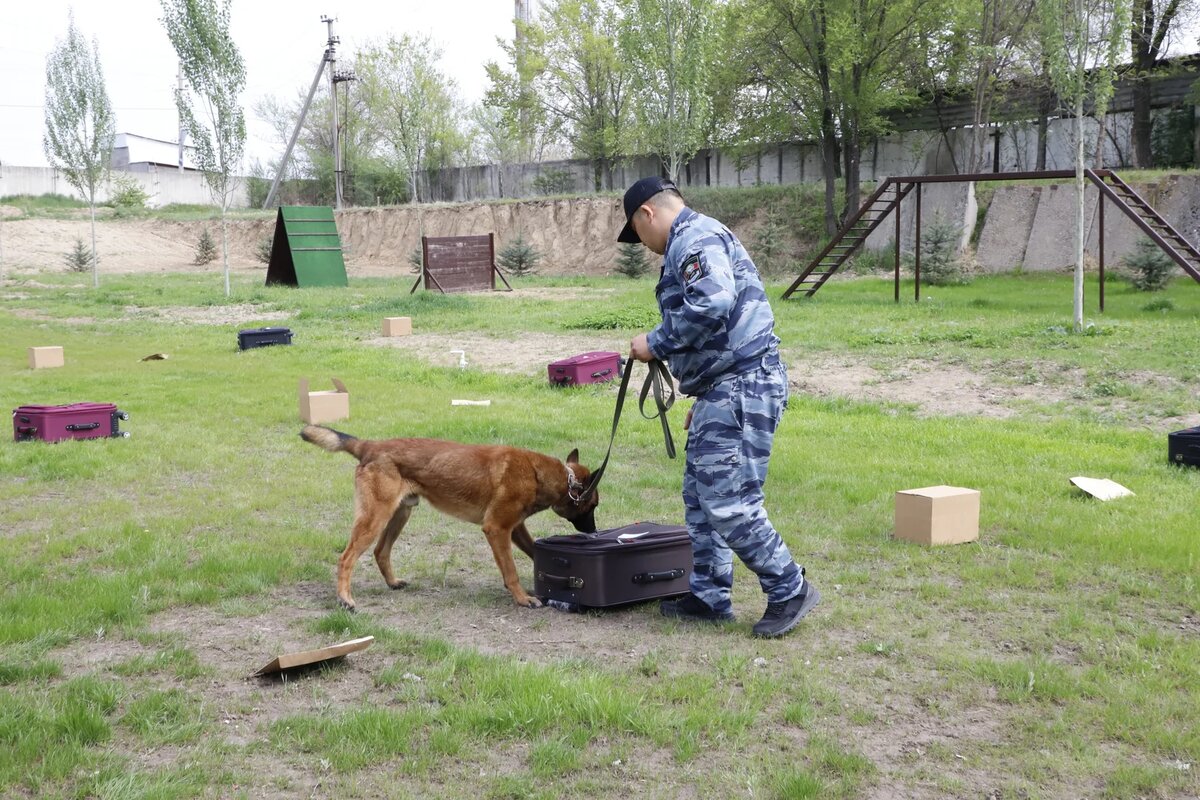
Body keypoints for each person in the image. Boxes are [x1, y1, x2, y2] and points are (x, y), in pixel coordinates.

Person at [620, 176, 819, 638]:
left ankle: (789, 588)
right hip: (726, 386)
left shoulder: (694, 237)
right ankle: (709, 596)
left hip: (743, 382)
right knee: (700, 497)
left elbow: (713, 300)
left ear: (647, 214)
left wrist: (656, 342)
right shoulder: (694, 238)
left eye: (636, 231)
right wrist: (707, 392)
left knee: (728, 500)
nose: (642, 244)